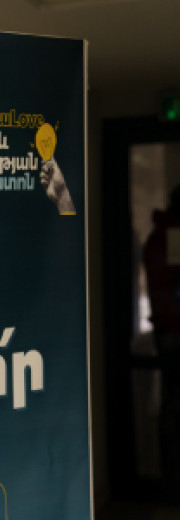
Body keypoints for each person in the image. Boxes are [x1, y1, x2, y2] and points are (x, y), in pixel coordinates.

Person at [143, 185, 180, 487]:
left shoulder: (159, 236)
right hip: (173, 327)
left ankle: (170, 466)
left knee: (172, 397)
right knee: (174, 400)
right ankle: (172, 469)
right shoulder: (171, 236)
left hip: (167, 326)